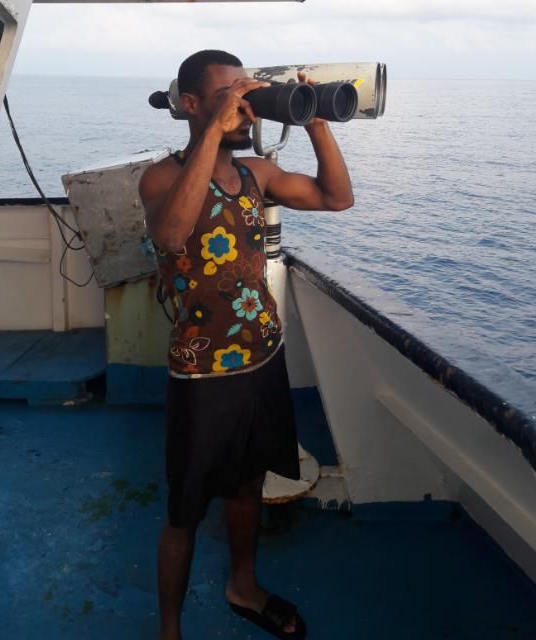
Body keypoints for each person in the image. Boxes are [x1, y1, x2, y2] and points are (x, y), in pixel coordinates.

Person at [139, 49, 354, 640]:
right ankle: (169, 630)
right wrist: (214, 131)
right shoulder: (162, 177)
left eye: (247, 94)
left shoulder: (257, 174)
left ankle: (243, 585)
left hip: (262, 358)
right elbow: (173, 233)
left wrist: (315, 121)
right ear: (191, 105)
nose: (243, 108)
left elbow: (337, 198)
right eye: (226, 97)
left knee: (247, 483)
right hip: (201, 373)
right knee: (185, 509)